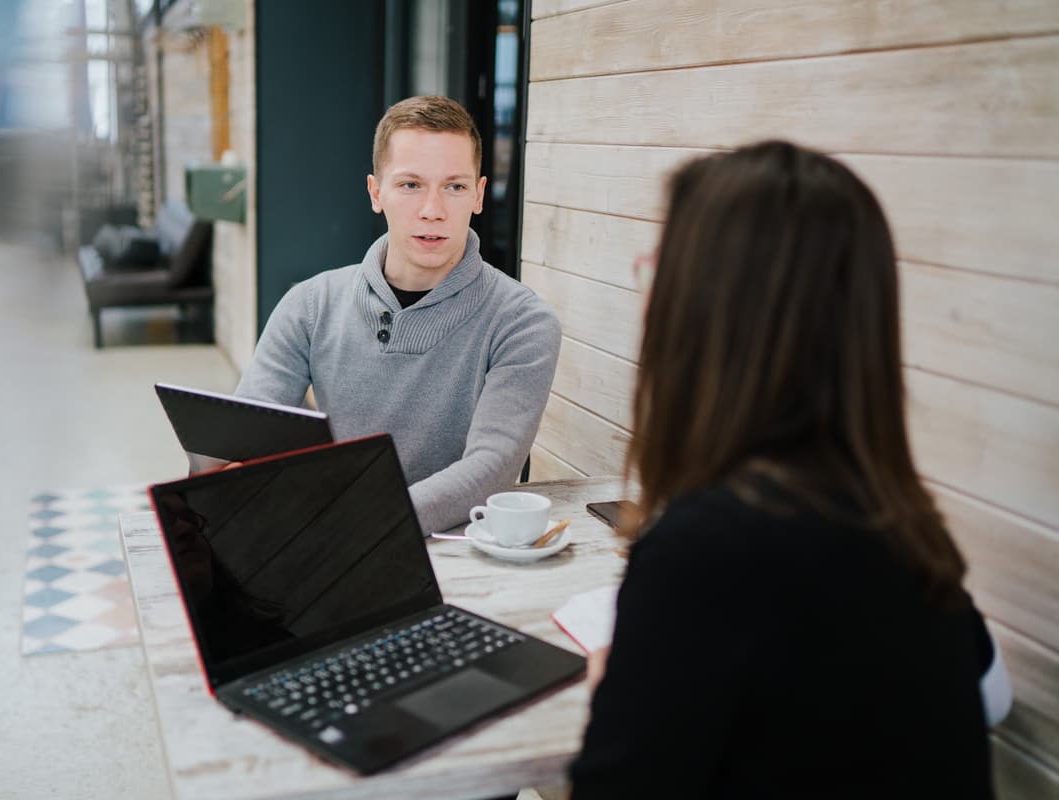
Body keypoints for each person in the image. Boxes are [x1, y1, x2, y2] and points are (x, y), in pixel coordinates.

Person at [568, 141, 1009, 798]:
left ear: (709, 307)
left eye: (659, 267)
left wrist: (619, 694)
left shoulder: (704, 552)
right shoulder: (907, 527)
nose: (646, 293)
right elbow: (988, 694)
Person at [235, 96, 560, 534]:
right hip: (335, 543)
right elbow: (249, 434)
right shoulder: (310, 305)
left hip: (458, 551)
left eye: (454, 187)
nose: (432, 210)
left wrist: (360, 519)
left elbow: (490, 470)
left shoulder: (522, 322)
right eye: (410, 185)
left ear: (479, 195)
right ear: (376, 193)